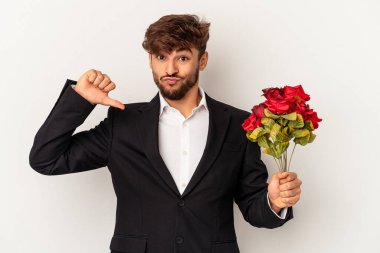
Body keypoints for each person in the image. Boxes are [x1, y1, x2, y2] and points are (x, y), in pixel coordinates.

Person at [29, 14, 302, 253]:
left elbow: (255, 210)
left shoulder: (239, 124)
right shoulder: (122, 124)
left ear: (202, 60)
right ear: (151, 60)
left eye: (182, 57)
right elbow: (46, 159)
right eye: (161, 57)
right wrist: (80, 99)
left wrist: (274, 201)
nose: (170, 69)